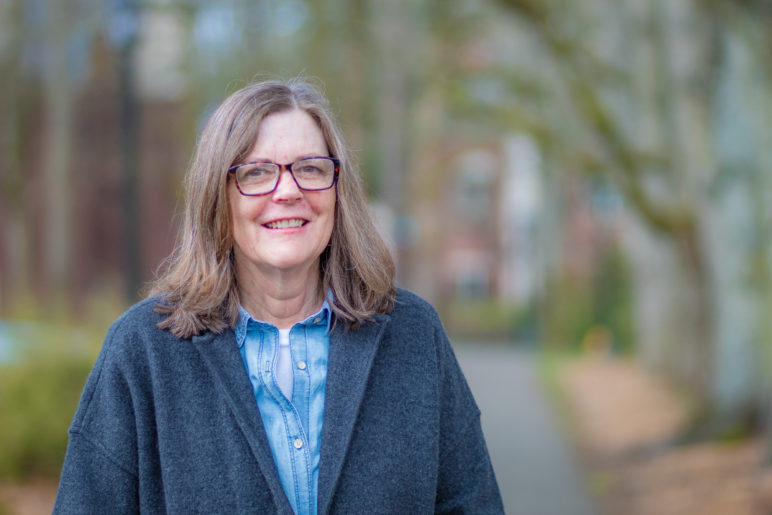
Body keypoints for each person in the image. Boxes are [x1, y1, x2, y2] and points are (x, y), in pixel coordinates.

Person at [54, 79, 503, 514]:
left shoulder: (414, 336)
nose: (287, 191)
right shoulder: (142, 351)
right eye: (256, 172)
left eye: (310, 168)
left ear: (338, 189)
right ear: (218, 197)